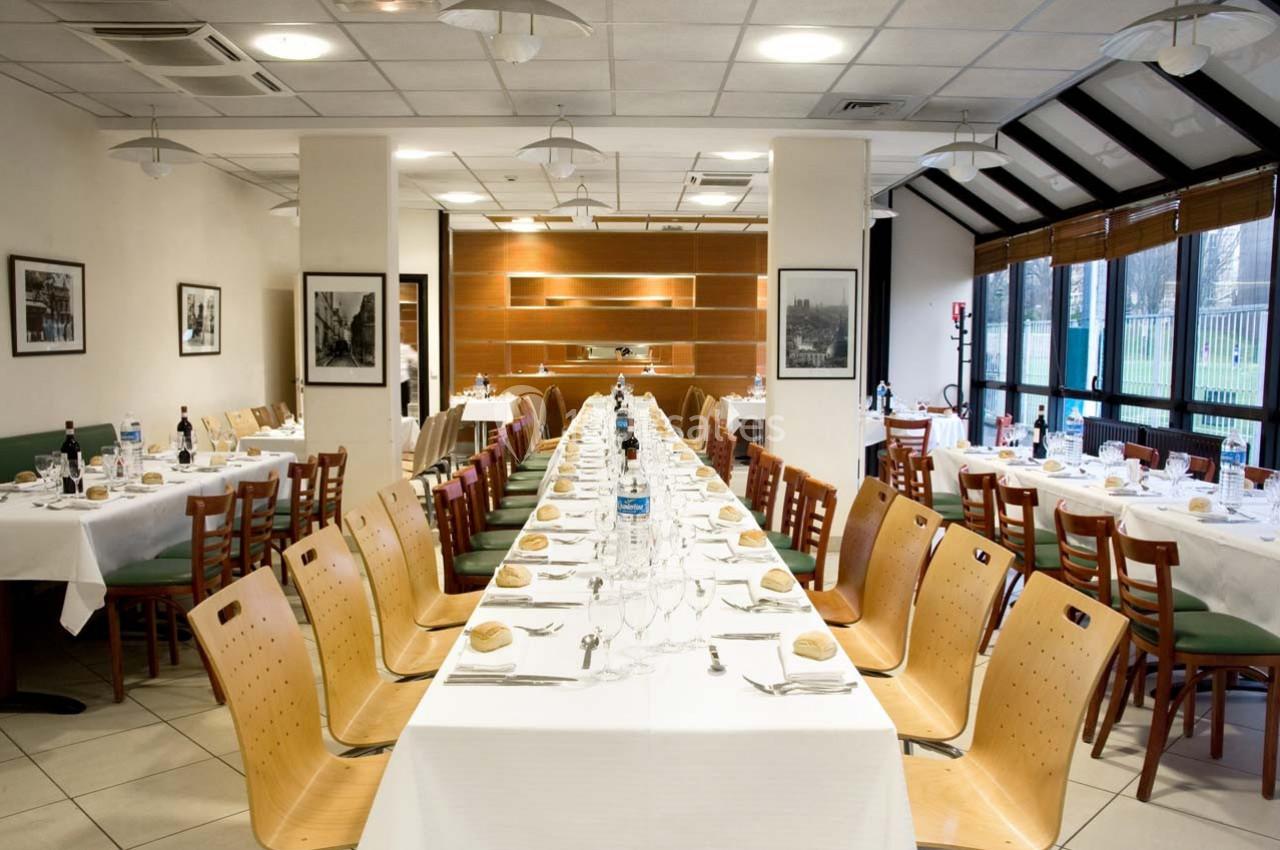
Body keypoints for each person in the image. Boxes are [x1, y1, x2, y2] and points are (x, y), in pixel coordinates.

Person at [399, 342, 418, 416]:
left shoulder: (387, 346)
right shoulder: (405, 348)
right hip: (403, 379)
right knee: (404, 407)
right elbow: (416, 360)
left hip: (396, 380)